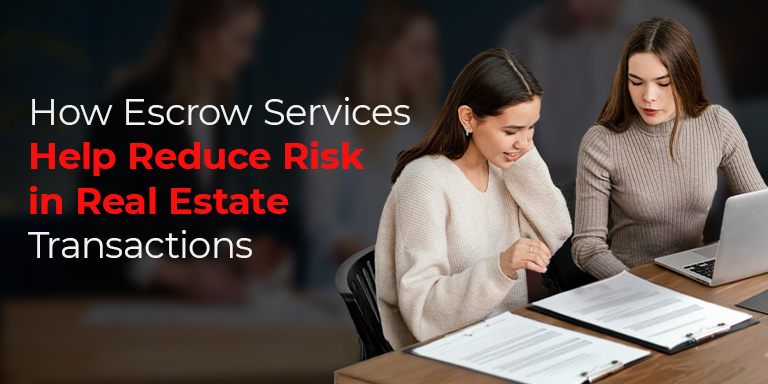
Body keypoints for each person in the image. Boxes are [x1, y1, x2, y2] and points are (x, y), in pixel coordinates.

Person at [375, 49, 572, 349]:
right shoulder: (424, 181)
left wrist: (522, 154)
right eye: (511, 130)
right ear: (468, 117)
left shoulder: (503, 165)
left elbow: (556, 231)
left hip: (510, 336)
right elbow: (422, 311)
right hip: (450, 351)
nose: (524, 142)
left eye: (531, 127)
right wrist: (501, 266)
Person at [572, 17, 767, 280]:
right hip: (630, 282)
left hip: (695, 278)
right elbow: (587, 247)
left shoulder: (717, 123)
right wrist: (634, 285)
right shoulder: (601, 141)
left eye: (663, 83)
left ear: (685, 78)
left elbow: (761, 211)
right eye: (636, 82)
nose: (648, 96)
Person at [301, 0, 440, 287]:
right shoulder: (329, 120)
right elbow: (322, 224)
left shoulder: (425, 130)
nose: (429, 64)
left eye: (431, 50)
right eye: (416, 51)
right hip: (339, 294)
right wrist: (384, 266)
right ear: (378, 53)